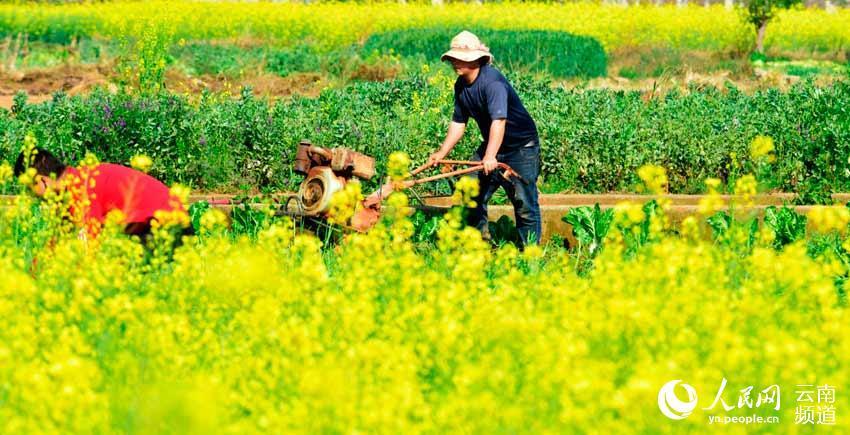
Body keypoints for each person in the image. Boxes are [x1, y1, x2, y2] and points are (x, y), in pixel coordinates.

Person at [427, 30, 542, 246]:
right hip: (493, 144)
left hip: (521, 148)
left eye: (460, 58)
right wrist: (441, 154)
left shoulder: (493, 83)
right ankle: (479, 244)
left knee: (525, 203)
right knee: (470, 193)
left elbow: (499, 121)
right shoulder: (461, 86)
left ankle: (531, 255)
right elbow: (458, 123)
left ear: (476, 59)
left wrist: (490, 156)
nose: (455, 62)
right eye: (453, 58)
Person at [13, 147, 191, 242]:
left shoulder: (80, 188)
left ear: (43, 181)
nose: (31, 196)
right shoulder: (77, 182)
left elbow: (87, 242)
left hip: (168, 228)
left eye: (29, 188)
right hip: (161, 225)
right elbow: (60, 239)